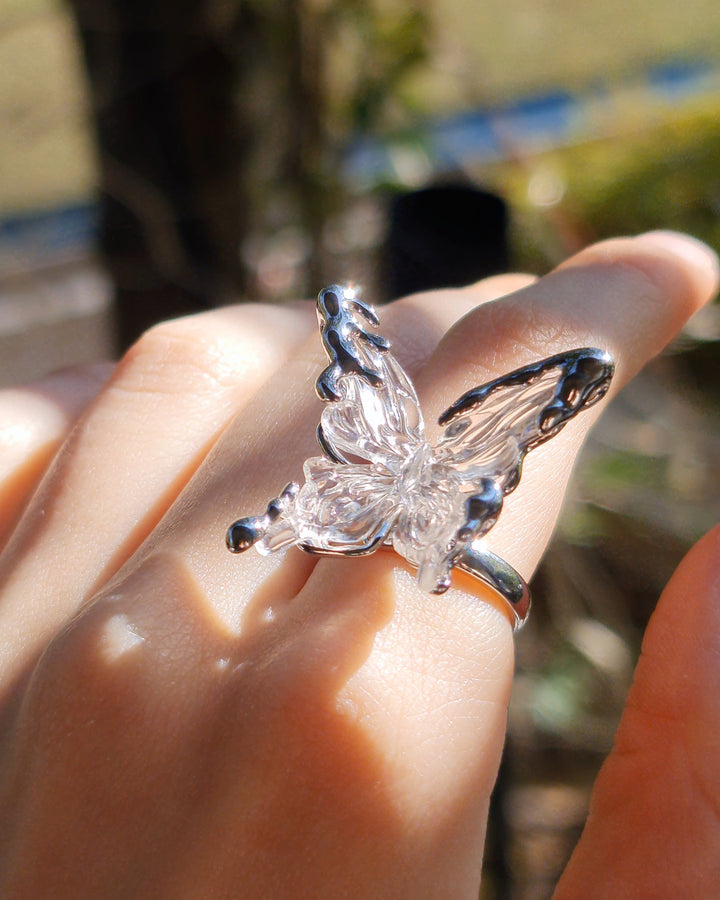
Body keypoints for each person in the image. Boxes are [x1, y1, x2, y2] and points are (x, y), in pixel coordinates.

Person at [0, 230, 718, 898]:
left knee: (336, 510)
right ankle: (286, 524)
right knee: (329, 509)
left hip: (410, 496)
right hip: (408, 493)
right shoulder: (447, 443)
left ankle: (284, 525)